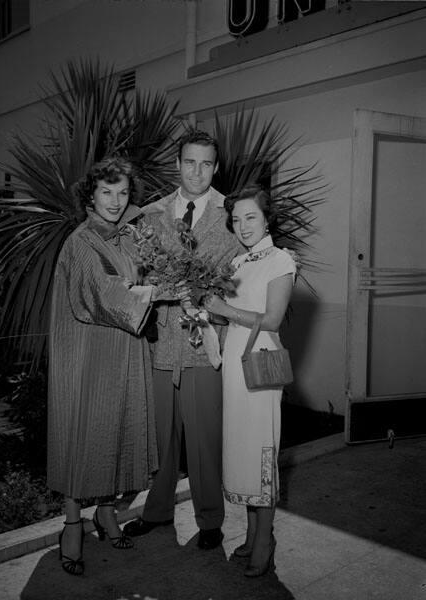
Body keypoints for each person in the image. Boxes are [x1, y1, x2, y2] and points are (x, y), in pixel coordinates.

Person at [47, 156, 172, 576]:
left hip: (124, 350)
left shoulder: (127, 237)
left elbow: (145, 266)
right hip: (88, 357)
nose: (116, 201)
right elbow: (101, 293)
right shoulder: (81, 242)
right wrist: (157, 290)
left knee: (116, 431)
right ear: (91, 195)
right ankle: (71, 523)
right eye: (106, 192)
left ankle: (105, 512)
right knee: (84, 434)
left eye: (122, 192)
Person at [124, 130, 241, 550]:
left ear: (216, 167)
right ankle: (156, 512)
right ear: (178, 163)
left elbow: (245, 272)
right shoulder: (151, 214)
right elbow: (135, 275)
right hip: (159, 345)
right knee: (161, 440)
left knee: (205, 439)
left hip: (205, 343)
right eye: (190, 162)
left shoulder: (232, 214)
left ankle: (210, 520)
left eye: (206, 164)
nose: (197, 172)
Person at [204, 184, 296, 577]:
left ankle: (265, 538)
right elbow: (230, 314)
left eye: (251, 217)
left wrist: (223, 308)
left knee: (261, 453)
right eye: (236, 219)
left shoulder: (281, 261)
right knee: (241, 451)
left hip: (259, 367)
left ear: (267, 218)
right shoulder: (238, 263)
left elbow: (272, 320)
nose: (242, 226)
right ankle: (252, 532)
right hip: (233, 368)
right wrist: (206, 315)